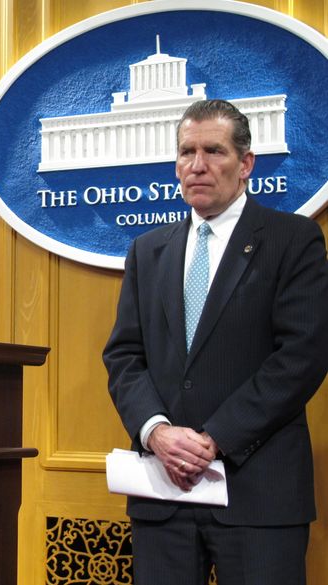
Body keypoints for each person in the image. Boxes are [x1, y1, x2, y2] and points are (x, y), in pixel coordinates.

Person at [103, 99, 328, 585]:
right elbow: (124, 356)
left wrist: (214, 440)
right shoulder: (148, 250)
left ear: (246, 164)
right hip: (163, 497)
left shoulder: (294, 240)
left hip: (258, 498)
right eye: (186, 152)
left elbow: (303, 357)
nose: (197, 165)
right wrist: (157, 432)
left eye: (214, 151)